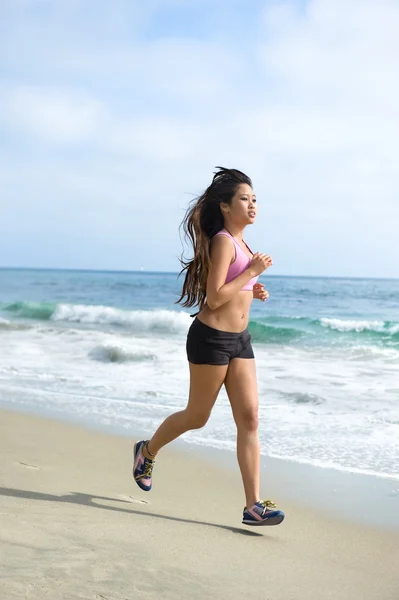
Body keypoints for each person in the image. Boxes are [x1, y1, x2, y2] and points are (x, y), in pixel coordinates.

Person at [133, 167, 285, 526]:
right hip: (211, 339)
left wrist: (253, 288)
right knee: (197, 416)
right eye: (244, 199)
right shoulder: (222, 240)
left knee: (250, 418)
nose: (252, 205)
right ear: (226, 207)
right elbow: (215, 298)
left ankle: (253, 506)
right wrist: (251, 274)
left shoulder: (243, 244)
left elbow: (233, 286)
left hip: (240, 341)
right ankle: (147, 451)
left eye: (254, 199)